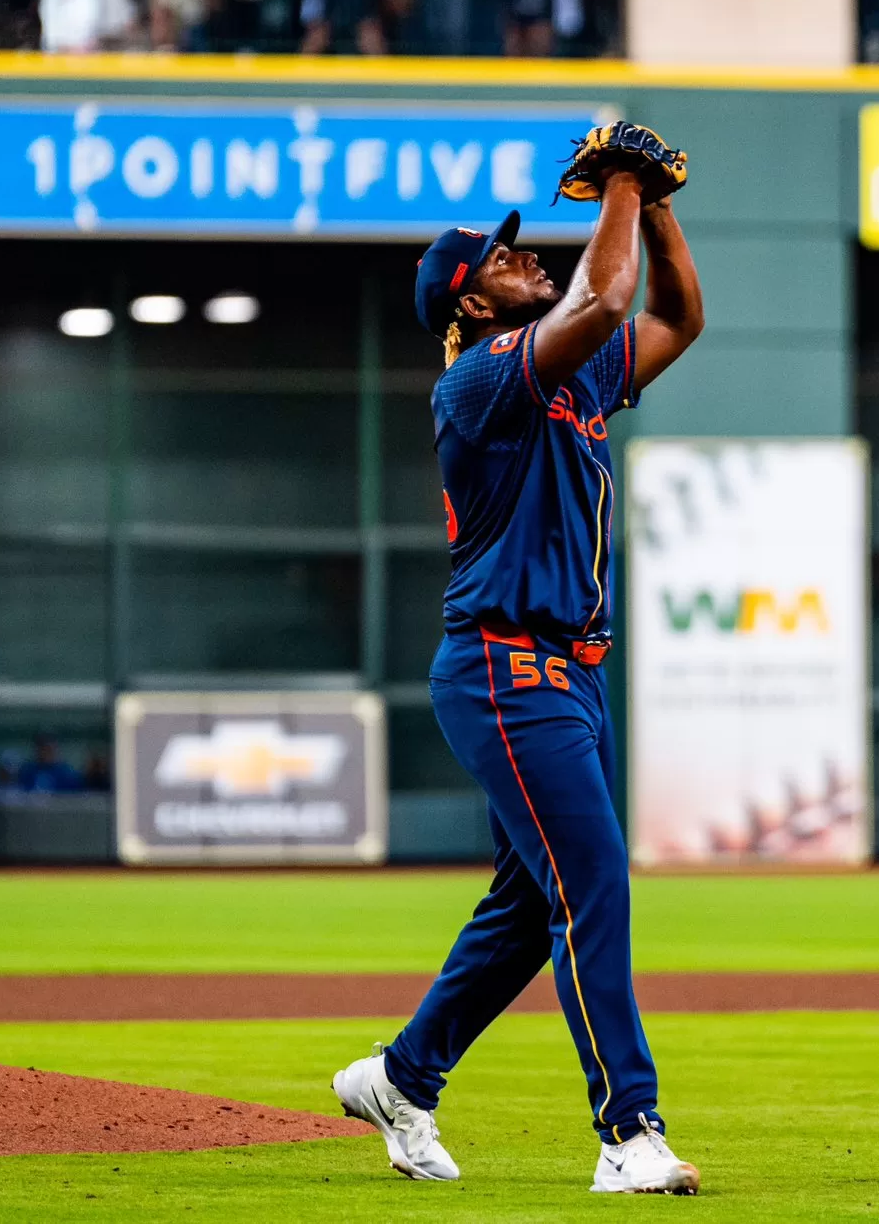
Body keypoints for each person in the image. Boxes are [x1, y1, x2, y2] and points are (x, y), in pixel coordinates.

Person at [330, 134, 705, 1194]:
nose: (522, 257)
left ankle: (402, 1078)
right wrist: (624, 185)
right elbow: (602, 293)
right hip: (503, 667)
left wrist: (657, 202)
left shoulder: (564, 367)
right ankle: (627, 1133)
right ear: (473, 307)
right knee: (590, 886)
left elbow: (675, 317)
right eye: (499, 261)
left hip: (569, 674)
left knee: (523, 906)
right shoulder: (477, 381)